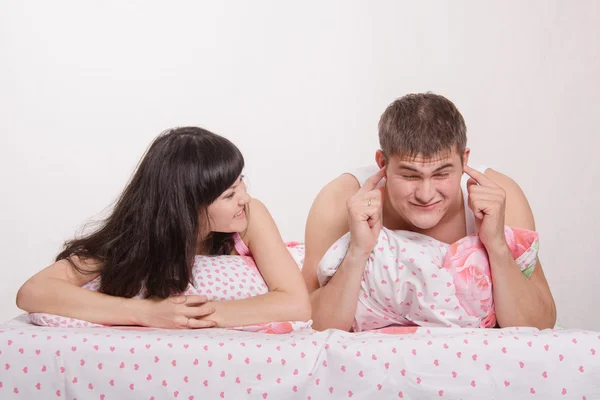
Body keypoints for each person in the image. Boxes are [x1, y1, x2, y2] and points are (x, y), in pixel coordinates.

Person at [303, 93, 556, 331]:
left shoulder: (501, 196)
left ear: (464, 161)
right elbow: (308, 323)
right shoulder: (339, 201)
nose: (425, 194)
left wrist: (498, 246)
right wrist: (357, 252)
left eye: (442, 174)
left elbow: (540, 323)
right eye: (410, 175)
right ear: (382, 163)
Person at [16, 127, 310, 329]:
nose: (244, 197)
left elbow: (296, 302)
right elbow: (34, 291)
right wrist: (147, 313)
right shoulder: (136, 237)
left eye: (240, 181)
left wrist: (193, 316)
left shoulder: (250, 216)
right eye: (229, 195)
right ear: (187, 207)